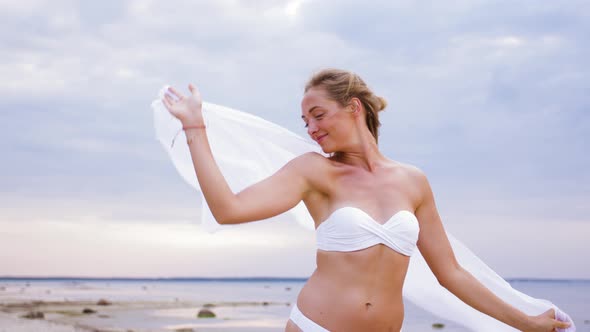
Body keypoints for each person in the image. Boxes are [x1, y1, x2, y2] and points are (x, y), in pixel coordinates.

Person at [159, 69, 573, 332]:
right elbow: (228, 209)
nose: (311, 129)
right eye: (305, 122)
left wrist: (526, 324)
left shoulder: (414, 181)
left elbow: (452, 274)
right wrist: (196, 128)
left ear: (353, 108)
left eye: (318, 115)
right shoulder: (313, 172)